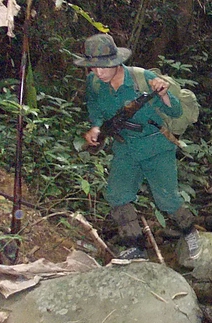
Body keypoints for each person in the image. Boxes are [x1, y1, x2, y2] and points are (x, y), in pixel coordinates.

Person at [74, 33, 200, 261]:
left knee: (166, 199)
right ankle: (134, 245)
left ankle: (190, 231)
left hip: (156, 145)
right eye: (93, 67)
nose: (98, 72)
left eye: (103, 67)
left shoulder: (143, 79)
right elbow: (93, 105)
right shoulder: (94, 82)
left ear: (116, 62)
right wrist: (95, 127)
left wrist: (163, 94)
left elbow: (175, 112)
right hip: (125, 147)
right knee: (117, 195)